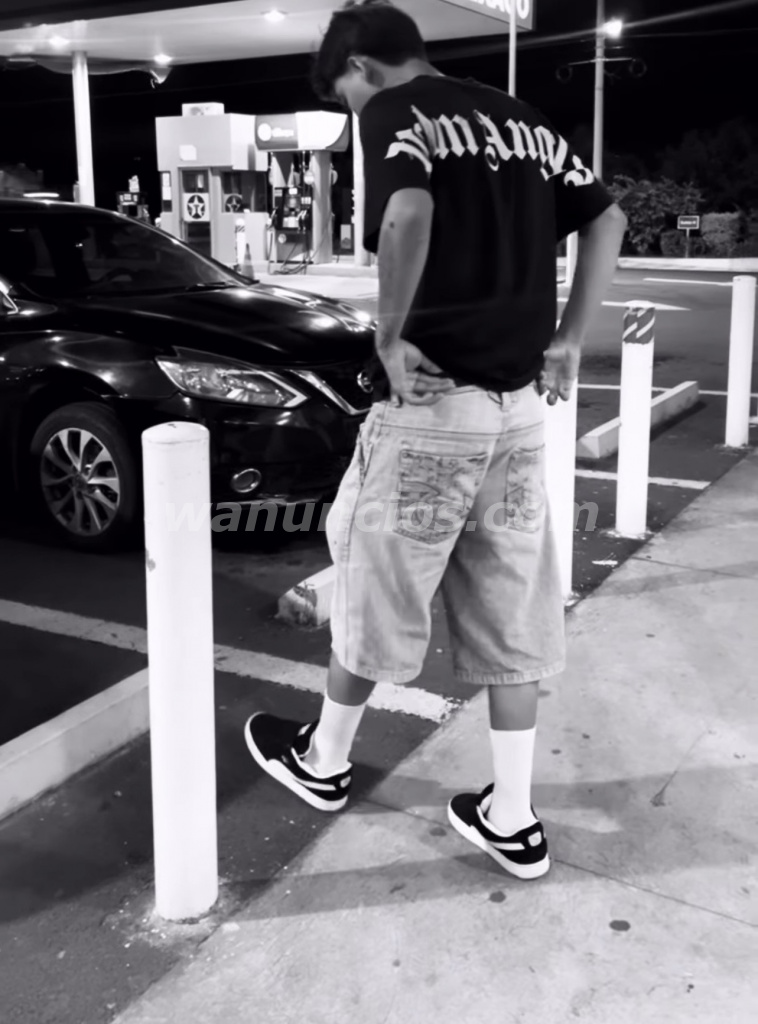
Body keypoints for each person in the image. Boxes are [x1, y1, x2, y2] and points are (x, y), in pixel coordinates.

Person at [245, 0, 627, 879]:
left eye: (345, 97)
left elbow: (407, 213)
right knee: (513, 607)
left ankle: (325, 761)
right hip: (519, 413)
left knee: (376, 586)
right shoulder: (520, 119)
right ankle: (513, 815)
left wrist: (389, 335)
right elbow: (606, 219)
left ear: (361, 67)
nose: (354, 114)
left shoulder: (394, 109)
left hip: (432, 411)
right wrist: (570, 338)